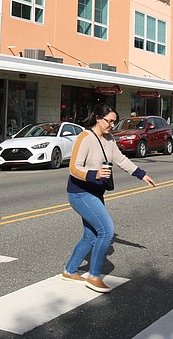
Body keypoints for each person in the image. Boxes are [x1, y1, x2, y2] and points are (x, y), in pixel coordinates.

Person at [63, 103, 156, 293]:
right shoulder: (85, 138)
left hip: (95, 193)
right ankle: (94, 275)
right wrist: (94, 174)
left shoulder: (108, 139)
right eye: (109, 121)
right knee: (106, 230)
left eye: (114, 122)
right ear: (98, 118)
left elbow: (120, 159)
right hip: (80, 193)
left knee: (91, 236)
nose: (112, 125)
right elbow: (74, 168)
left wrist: (141, 174)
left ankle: (69, 270)